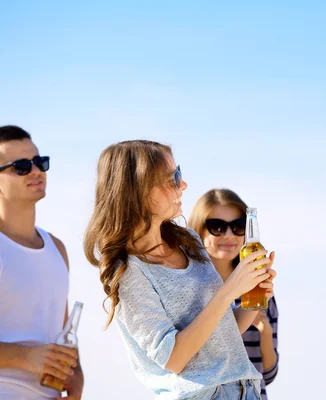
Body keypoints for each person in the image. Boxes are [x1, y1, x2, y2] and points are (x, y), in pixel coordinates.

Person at [83, 140, 276, 400]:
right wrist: (229, 291)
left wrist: (253, 297)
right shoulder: (127, 271)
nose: (183, 185)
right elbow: (173, 358)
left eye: (179, 174)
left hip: (246, 390)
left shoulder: (189, 242)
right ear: (138, 190)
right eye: (172, 178)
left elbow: (222, 330)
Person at [0, 125, 84, 399]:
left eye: (39, 162)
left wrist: (77, 378)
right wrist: (25, 356)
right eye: (21, 166)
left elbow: (63, 330)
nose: (36, 171)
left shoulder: (57, 248)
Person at [189, 189, 279, 400]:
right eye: (217, 227)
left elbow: (269, 374)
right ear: (199, 230)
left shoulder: (259, 288)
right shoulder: (188, 288)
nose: (228, 235)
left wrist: (265, 333)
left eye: (238, 226)